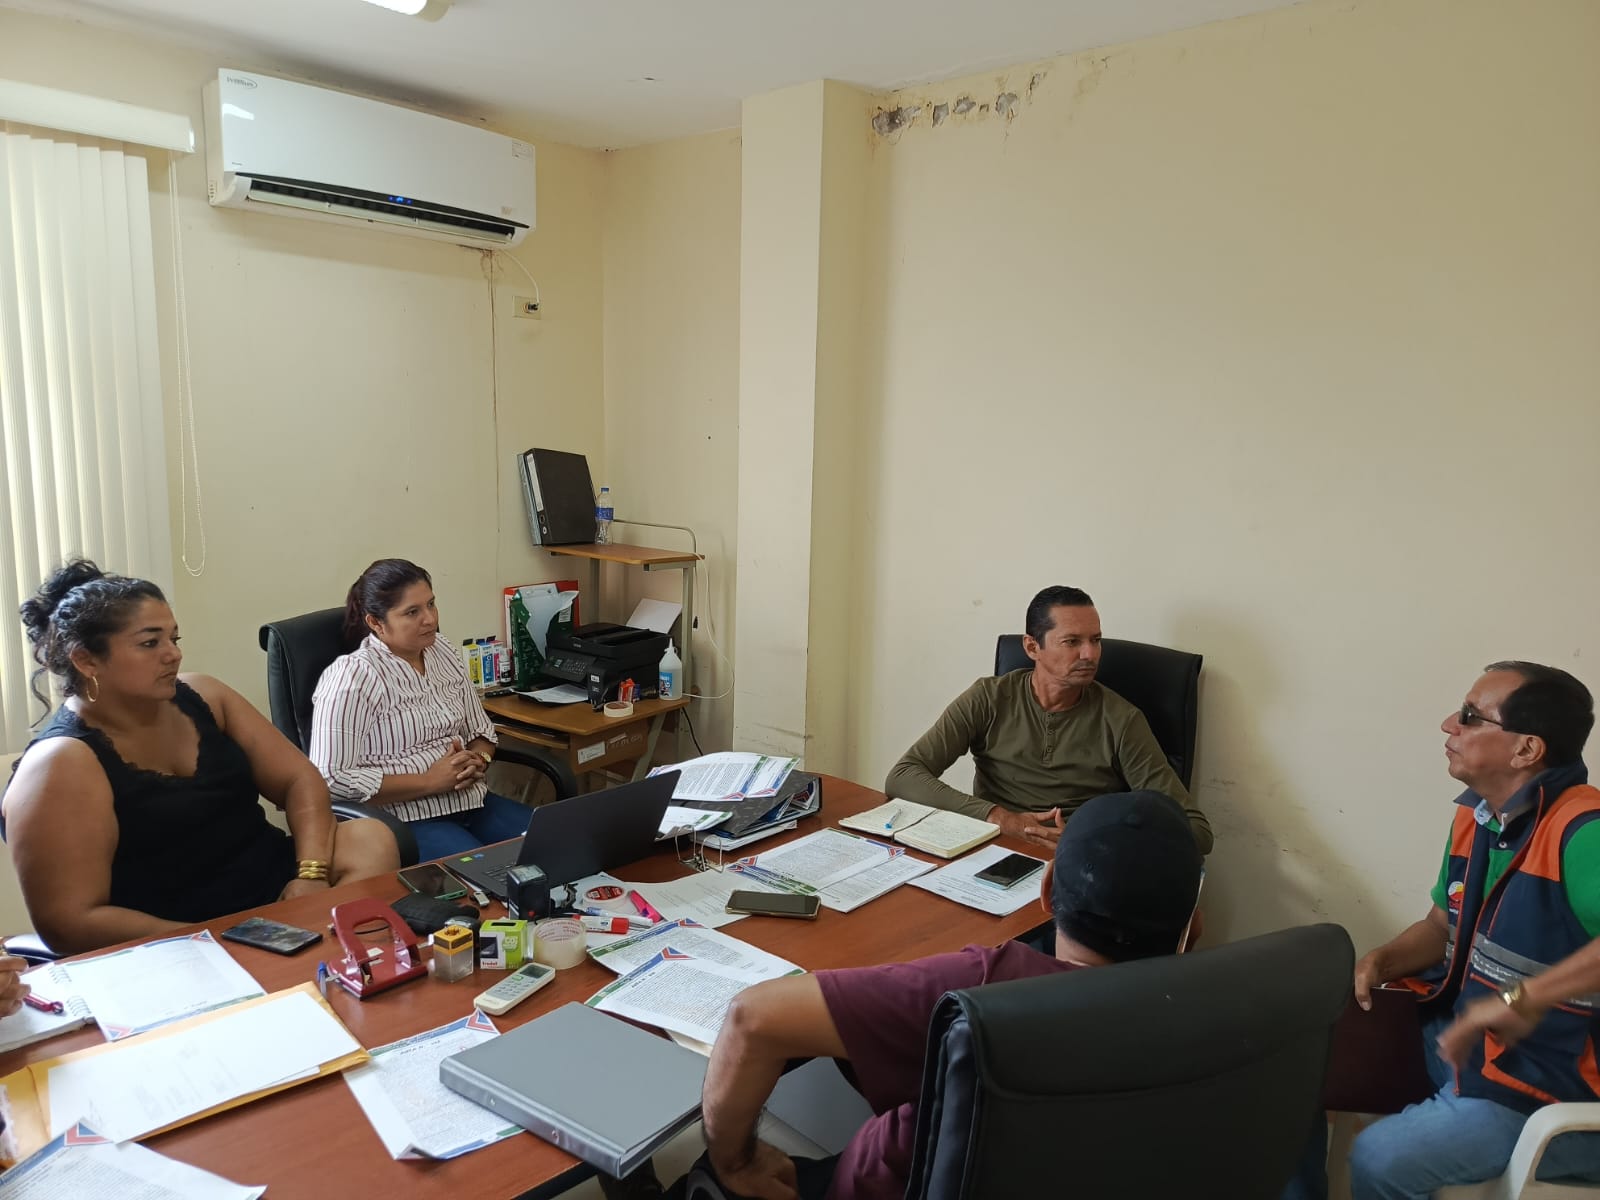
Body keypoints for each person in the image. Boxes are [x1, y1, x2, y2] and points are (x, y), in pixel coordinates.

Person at [687, 789, 1205, 1200]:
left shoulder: (987, 986)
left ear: (1046, 892)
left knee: (707, 1170)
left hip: (888, 1186)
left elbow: (753, 1019)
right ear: (1192, 926)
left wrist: (739, 1161)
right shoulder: (1220, 1008)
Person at [4, 561, 398, 956]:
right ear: (86, 660)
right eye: (150, 643)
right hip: (176, 932)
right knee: (319, 952)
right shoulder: (61, 763)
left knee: (369, 838)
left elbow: (299, 780)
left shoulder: (205, 695)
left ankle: (316, 954)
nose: (173, 655)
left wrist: (311, 874)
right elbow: (71, 921)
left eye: (174, 638)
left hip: (276, 891)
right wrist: (219, 939)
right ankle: (312, 956)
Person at [1318, 662, 1600, 1199]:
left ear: (1526, 749)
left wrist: (1523, 998)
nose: (1449, 724)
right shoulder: (1478, 816)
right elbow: (1441, 925)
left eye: (1470, 715)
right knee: (1299, 1058)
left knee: (1380, 1158)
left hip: (1549, 1085)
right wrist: (1382, 960)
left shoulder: (1584, 831)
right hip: (1462, 1039)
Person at [885, 585, 1212, 853]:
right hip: (990, 848)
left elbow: (1196, 831)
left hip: (1076, 861)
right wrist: (1000, 818)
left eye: (1095, 640)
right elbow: (903, 775)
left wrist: (1093, 838)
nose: (1090, 654)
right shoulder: (988, 698)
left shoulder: (1121, 720)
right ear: (1032, 647)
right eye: (1072, 642)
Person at [310, 558, 530, 861]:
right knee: (488, 875)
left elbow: (481, 730)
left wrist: (479, 759)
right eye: (412, 612)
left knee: (557, 843)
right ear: (376, 623)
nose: (430, 619)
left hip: (473, 801)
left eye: (431, 604)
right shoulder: (353, 677)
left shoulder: (442, 650)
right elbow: (330, 778)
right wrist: (429, 781)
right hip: (406, 820)